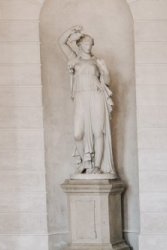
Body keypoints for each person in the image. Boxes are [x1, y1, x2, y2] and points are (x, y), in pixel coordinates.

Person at [58, 25, 115, 175]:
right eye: (85, 43)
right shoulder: (73, 58)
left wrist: (105, 70)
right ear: (79, 44)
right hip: (80, 97)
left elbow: (107, 81)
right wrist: (72, 31)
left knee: (98, 131)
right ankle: (86, 162)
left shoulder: (97, 61)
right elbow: (61, 42)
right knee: (78, 133)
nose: (89, 46)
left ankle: (96, 165)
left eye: (90, 43)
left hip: (96, 95)